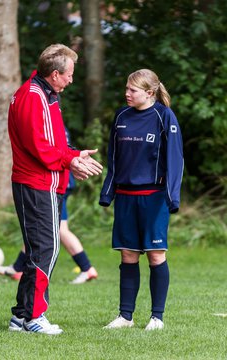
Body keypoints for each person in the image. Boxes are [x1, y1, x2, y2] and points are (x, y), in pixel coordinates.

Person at [7, 44, 102, 335]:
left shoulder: (45, 93)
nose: (72, 80)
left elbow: (53, 141)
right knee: (46, 250)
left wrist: (72, 154)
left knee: (39, 250)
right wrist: (70, 159)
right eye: (70, 75)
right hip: (37, 184)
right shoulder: (34, 97)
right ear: (55, 74)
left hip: (40, 182)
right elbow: (42, 148)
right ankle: (35, 317)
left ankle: (21, 316)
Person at [99, 69, 184, 331]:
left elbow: (175, 160)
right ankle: (126, 316)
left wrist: (172, 196)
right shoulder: (121, 116)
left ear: (149, 93)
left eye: (132, 90)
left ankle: (157, 317)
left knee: (156, 256)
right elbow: (113, 158)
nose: (127, 93)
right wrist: (108, 192)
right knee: (128, 255)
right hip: (126, 197)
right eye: (126, 88)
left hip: (154, 198)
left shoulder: (163, 116)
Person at [0, 172, 98, 284]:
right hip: (60, 180)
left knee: (55, 228)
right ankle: (18, 267)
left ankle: (86, 268)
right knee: (44, 227)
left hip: (57, 180)